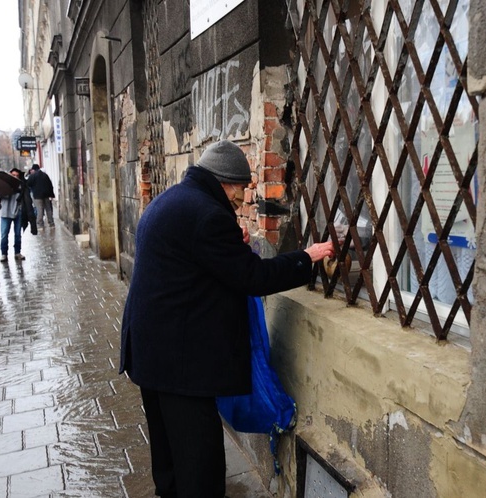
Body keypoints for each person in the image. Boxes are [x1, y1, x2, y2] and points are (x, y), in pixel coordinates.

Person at [119, 140, 334, 497]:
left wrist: (232, 244)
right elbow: (254, 277)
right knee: (199, 468)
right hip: (178, 366)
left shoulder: (172, 200)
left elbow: (193, 268)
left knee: (169, 461)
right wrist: (306, 257)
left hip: (149, 354)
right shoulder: (207, 215)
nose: (242, 200)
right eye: (242, 191)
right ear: (226, 183)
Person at [0, 168, 29, 262]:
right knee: (4, 234)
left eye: (17, 175)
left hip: (17, 212)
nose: (15, 177)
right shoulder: (3, 185)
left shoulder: (21, 185)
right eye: (13, 175)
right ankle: (4, 254)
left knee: (18, 234)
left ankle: (17, 252)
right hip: (5, 212)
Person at [26, 164, 55, 228]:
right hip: (46, 195)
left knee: (39, 210)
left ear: (33, 169)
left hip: (37, 196)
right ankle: (51, 223)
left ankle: (40, 224)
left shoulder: (32, 176)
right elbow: (50, 185)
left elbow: (28, 184)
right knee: (48, 209)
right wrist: (52, 195)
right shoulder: (45, 175)